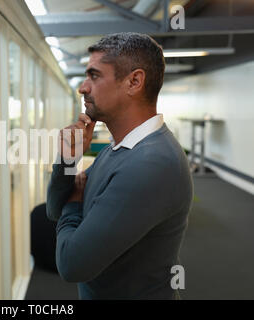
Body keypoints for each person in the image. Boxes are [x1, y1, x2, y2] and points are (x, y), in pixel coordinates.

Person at [46, 32, 193, 299]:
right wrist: (68, 161)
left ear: (134, 82)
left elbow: (71, 264)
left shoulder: (151, 164)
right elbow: (56, 209)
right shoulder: (119, 149)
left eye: (94, 75)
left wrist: (76, 203)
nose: (83, 87)